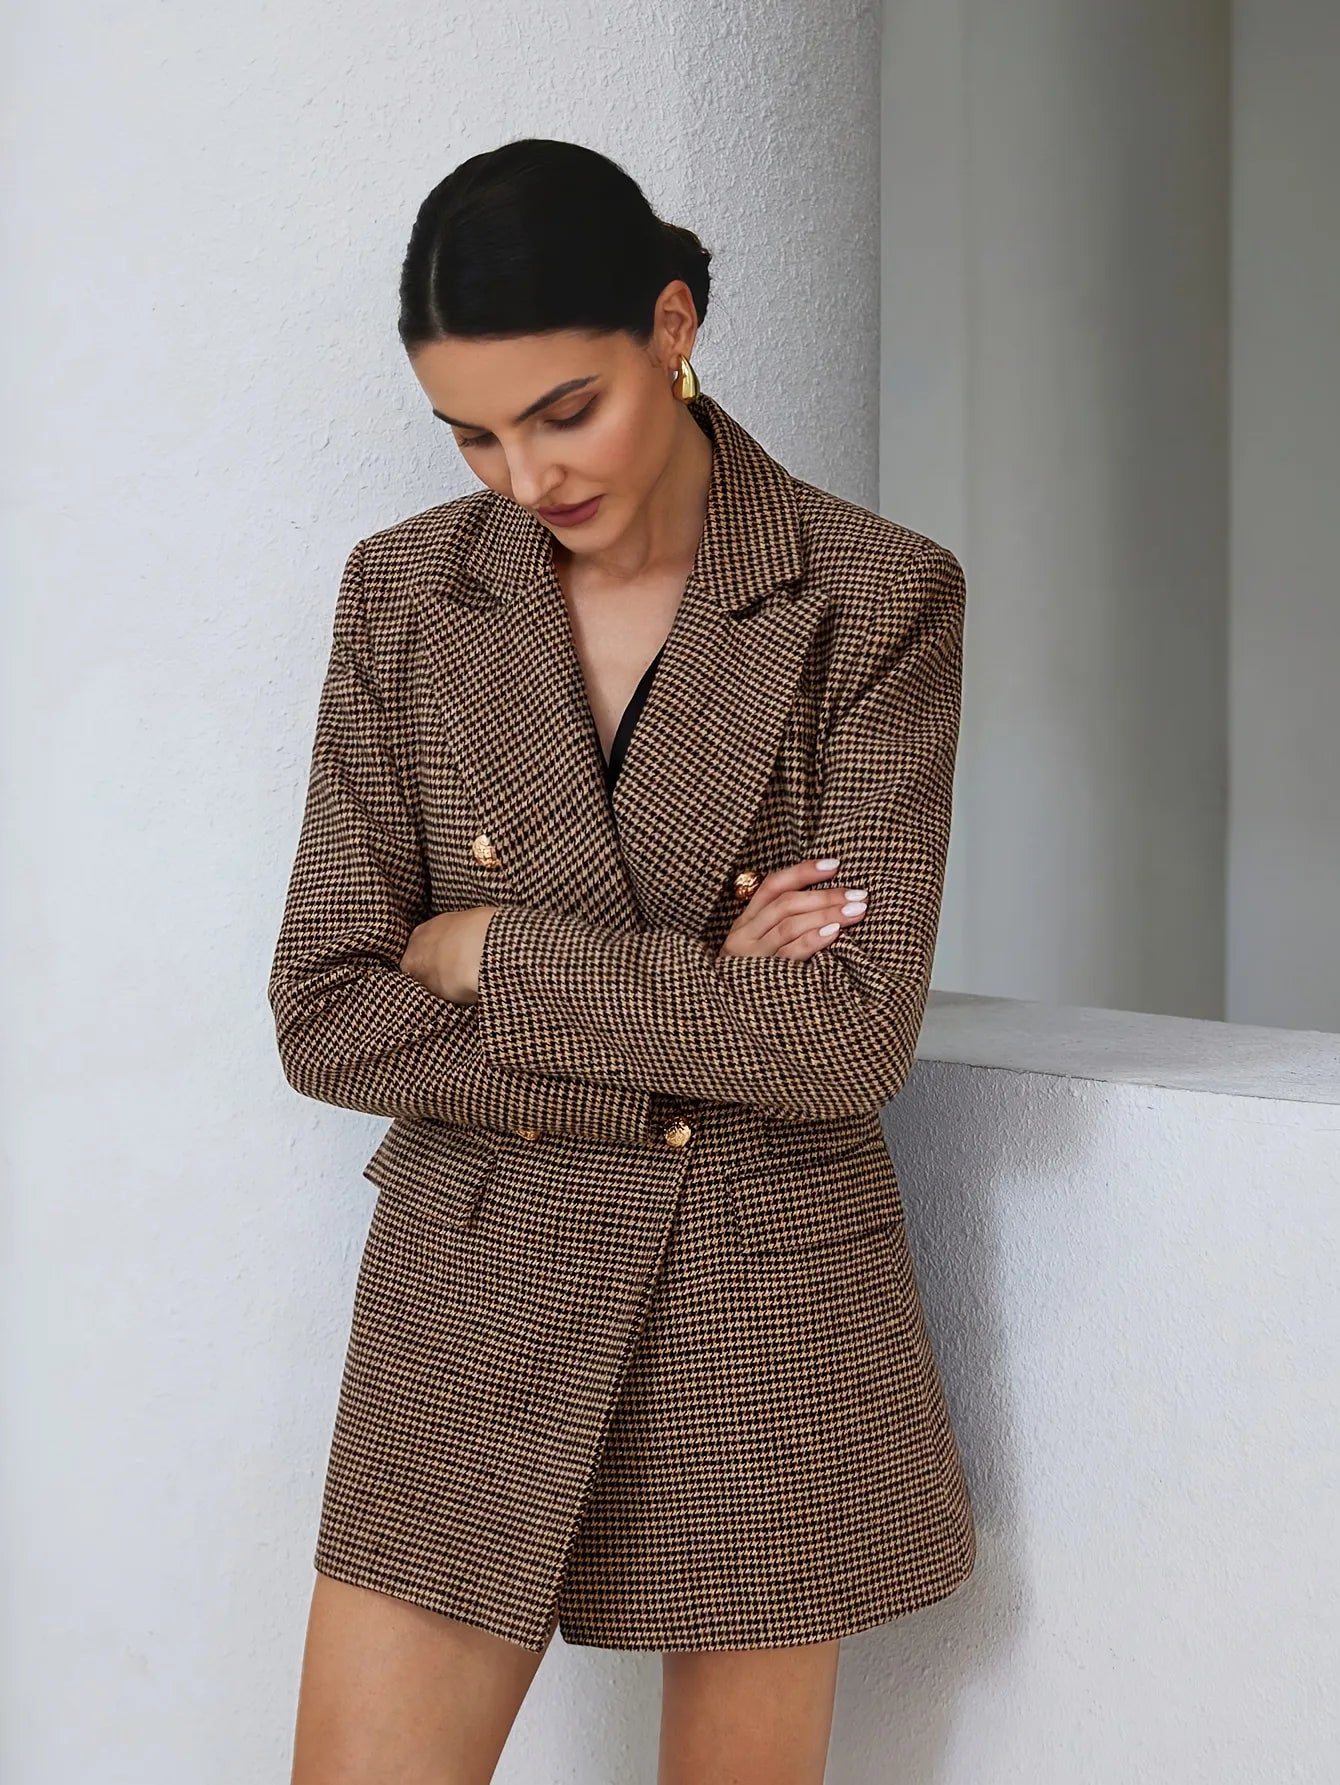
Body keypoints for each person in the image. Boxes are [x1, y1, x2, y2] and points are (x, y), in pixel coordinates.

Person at [269, 135, 976, 1785]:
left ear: (671, 326)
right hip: (475, 1280)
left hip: (760, 1297)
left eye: (562, 410)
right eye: (472, 433)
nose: (524, 477)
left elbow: (848, 1039)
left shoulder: (871, 598)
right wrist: (703, 997)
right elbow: (322, 1009)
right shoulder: (405, 594)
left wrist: (493, 948)